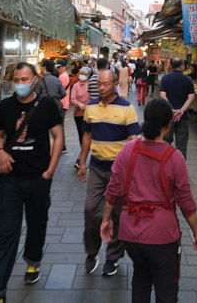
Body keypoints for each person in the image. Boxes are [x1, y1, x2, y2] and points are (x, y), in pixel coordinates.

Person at [101, 98, 197, 303]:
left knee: (140, 278)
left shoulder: (127, 150)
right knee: (166, 288)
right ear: (168, 125)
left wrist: (106, 220)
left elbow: (113, 190)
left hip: (131, 233)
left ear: (145, 119)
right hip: (162, 236)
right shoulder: (174, 157)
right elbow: (186, 201)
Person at [0, 62, 63, 303]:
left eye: (24, 79)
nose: (19, 83)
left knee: (37, 223)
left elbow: (58, 136)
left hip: (38, 177)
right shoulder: (5, 106)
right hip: (10, 179)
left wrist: (49, 172)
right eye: (16, 79)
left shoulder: (48, 105)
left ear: (34, 81)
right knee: (5, 233)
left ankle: (33, 260)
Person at [78, 69, 140, 277]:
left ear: (115, 84)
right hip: (96, 166)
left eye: (106, 84)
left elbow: (133, 140)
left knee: (117, 213)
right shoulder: (91, 107)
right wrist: (82, 162)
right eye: (99, 84)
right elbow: (87, 135)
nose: (101, 87)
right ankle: (92, 251)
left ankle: (113, 257)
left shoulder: (127, 108)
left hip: (119, 171)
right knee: (90, 209)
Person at [158, 59, 195, 159]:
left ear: (171, 66)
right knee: (181, 143)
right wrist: (181, 110)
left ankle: (164, 162)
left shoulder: (165, 78)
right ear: (182, 66)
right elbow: (191, 97)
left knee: (165, 140)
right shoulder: (188, 79)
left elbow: (162, 94)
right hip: (183, 116)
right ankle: (180, 166)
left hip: (168, 115)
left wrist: (171, 109)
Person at [35, 60, 67, 152]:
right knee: (59, 126)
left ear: (44, 68)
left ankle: (48, 147)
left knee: (45, 127)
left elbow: (36, 94)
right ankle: (61, 147)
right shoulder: (57, 80)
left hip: (44, 106)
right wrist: (56, 98)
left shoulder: (40, 81)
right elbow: (63, 93)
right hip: (57, 105)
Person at [70, 67, 91, 164]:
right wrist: (79, 104)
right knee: (82, 135)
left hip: (90, 115)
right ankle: (81, 157)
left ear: (88, 75)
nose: (81, 76)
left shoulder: (92, 85)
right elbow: (72, 99)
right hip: (79, 114)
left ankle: (81, 157)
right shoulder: (76, 86)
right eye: (80, 74)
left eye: (84, 74)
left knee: (90, 135)